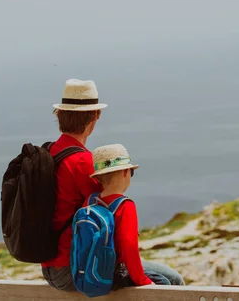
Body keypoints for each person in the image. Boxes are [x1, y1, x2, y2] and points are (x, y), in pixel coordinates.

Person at [41, 79, 107, 291]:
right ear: (95, 116)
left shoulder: (50, 152)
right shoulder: (83, 162)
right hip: (75, 268)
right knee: (168, 280)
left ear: (59, 115)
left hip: (50, 267)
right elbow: (105, 213)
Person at [88, 143, 185, 289]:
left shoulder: (90, 202)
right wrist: (143, 281)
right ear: (125, 173)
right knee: (166, 283)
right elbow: (129, 249)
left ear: (99, 178)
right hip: (115, 273)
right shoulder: (125, 206)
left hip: (92, 270)